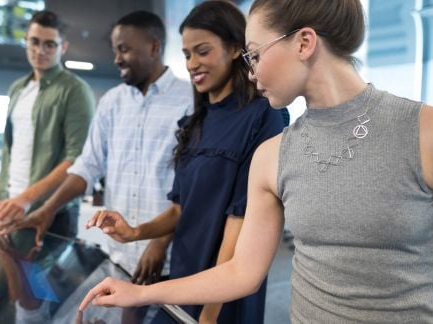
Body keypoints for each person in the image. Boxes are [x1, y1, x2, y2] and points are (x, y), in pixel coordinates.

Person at [79, 0, 433, 322]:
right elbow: (242, 271)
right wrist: (142, 293)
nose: (251, 72)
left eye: (255, 55)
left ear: (304, 42)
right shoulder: (273, 154)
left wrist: (389, 305)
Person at [84, 2, 284, 323]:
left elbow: (241, 222)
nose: (192, 64)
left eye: (202, 51)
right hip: (181, 282)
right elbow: (180, 210)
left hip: (223, 293)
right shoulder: (194, 122)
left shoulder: (263, 117)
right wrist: (135, 232)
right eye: (187, 54)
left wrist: (209, 314)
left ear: (235, 48)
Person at [0, 11, 193, 285]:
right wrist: (48, 209)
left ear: (154, 47)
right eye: (115, 50)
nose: (116, 59)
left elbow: (194, 185)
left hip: (171, 257)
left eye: (124, 49)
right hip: (120, 256)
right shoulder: (112, 102)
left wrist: (159, 242)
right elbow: (87, 166)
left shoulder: (191, 100)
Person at [0, 10, 95, 239]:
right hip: (8, 202)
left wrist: (25, 199)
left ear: (62, 47)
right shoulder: (17, 88)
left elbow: (77, 158)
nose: (40, 51)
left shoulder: (75, 90)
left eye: (49, 45)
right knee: (2, 271)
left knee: (37, 275)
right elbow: (10, 151)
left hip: (49, 210)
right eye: (34, 42)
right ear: (26, 40)